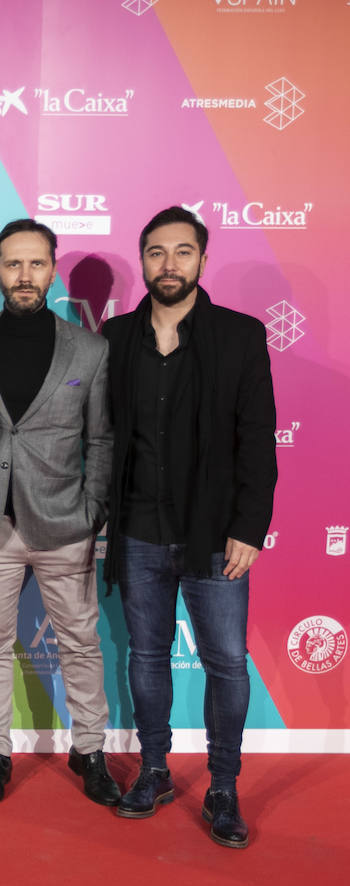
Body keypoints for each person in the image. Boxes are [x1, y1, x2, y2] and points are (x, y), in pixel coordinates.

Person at [104, 206, 276, 849]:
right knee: (145, 656)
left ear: (203, 259)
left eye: (182, 252)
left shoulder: (239, 336)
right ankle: (153, 771)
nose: (168, 264)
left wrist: (249, 528)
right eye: (156, 252)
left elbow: (258, 441)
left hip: (214, 536)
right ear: (143, 260)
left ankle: (224, 786)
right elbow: (103, 438)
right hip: (138, 532)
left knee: (227, 663)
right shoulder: (116, 339)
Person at [0, 219, 119, 807]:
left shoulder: (91, 349)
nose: (24, 276)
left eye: (36, 264)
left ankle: (91, 751)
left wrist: (92, 509)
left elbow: (101, 440)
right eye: (13, 265)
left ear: (53, 269)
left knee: (80, 641)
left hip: (64, 522)